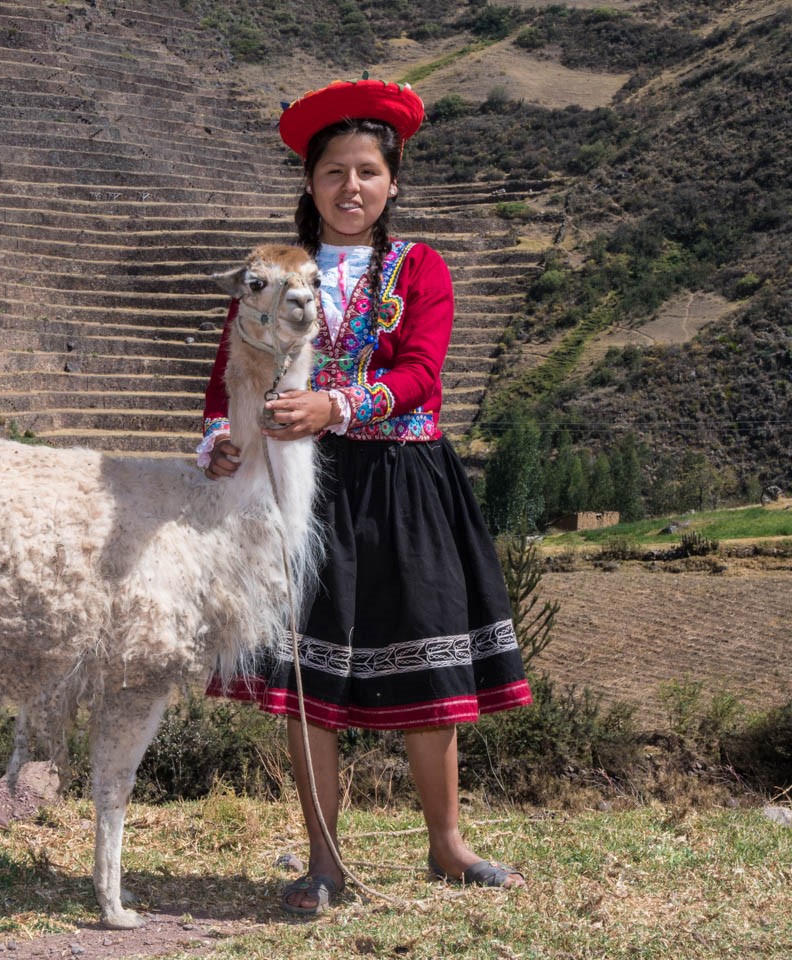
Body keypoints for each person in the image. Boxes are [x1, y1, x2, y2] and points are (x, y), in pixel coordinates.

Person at [199, 78, 534, 916]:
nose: (352, 188)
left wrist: (336, 406)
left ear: (392, 184)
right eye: (334, 173)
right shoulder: (274, 273)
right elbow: (228, 370)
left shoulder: (421, 268)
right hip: (300, 492)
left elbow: (422, 373)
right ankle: (324, 860)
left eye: (368, 172)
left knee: (426, 667)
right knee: (309, 680)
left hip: (404, 487)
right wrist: (218, 439)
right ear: (310, 186)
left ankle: (448, 846)